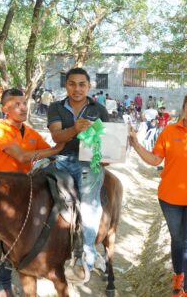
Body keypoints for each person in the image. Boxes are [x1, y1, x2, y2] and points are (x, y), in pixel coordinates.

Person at [0, 88, 64, 297]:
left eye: (24, 103)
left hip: (18, 199)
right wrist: (56, 149)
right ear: (5, 109)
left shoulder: (30, 132)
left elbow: (49, 152)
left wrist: (70, 144)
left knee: (12, 244)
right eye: (16, 105)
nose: (22, 108)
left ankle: (3, 287)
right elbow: (21, 156)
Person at [129, 91, 187, 297]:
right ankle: (178, 275)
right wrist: (135, 144)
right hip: (170, 198)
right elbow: (154, 160)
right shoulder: (169, 132)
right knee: (177, 240)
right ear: (183, 108)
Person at [47, 67, 109, 280]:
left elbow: (106, 142)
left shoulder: (99, 110)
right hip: (61, 159)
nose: (77, 89)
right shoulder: (55, 107)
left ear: (89, 87)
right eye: (72, 84)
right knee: (31, 183)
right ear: (66, 86)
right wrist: (75, 129)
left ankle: (87, 255)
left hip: (87, 163)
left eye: (82, 84)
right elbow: (56, 137)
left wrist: (106, 158)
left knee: (89, 203)